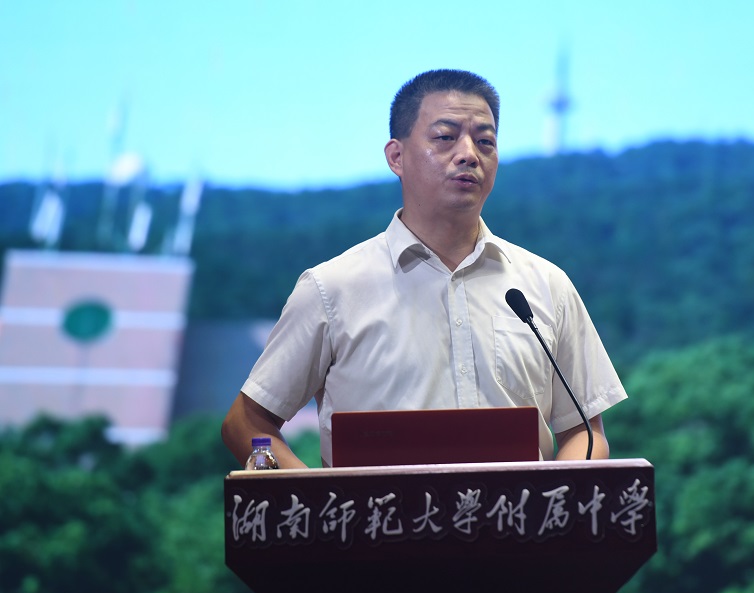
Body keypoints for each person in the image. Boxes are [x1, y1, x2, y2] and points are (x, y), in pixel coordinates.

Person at [221, 69, 627, 469]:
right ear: (396, 157)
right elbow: (246, 423)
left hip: (518, 514)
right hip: (376, 516)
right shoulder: (331, 289)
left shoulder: (546, 285)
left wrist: (556, 498)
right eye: (446, 137)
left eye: (485, 141)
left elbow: (584, 433)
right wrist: (318, 501)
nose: (469, 154)